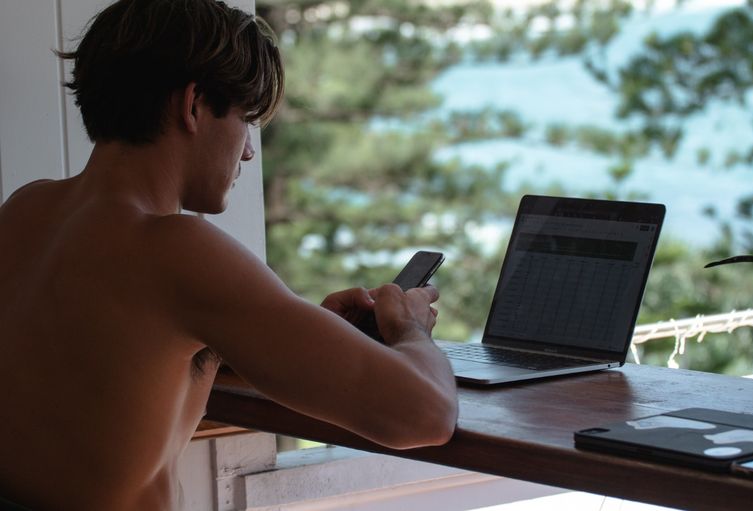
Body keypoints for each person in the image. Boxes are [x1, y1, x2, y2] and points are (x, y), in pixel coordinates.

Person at [0, 1, 458, 509]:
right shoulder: (175, 249)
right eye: (245, 119)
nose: (246, 152)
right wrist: (411, 327)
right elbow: (426, 415)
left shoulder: (25, 210)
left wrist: (306, 333)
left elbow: (114, 364)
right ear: (194, 104)